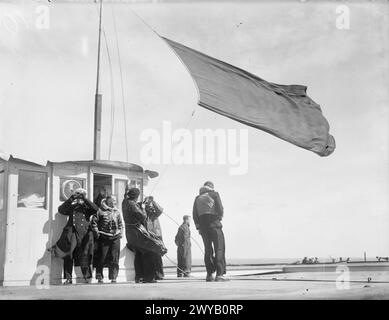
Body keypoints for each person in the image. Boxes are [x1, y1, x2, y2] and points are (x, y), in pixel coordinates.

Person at [52, 188, 98, 284]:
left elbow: (95, 209)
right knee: (69, 255)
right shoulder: (72, 206)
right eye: (77, 194)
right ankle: (68, 278)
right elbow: (61, 210)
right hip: (72, 232)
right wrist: (71, 198)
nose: (79, 197)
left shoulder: (87, 206)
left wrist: (85, 199)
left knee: (85, 254)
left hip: (84, 233)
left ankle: (87, 277)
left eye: (81, 194)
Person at [122, 188, 167, 283]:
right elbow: (142, 216)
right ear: (136, 196)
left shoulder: (125, 202)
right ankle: (149, 278)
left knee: (138, 254)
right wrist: (142, 207)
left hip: (130, 234)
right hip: (137, 232)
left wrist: (151, 201)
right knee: (148, 253)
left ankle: (139, 277)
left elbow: (159, 210)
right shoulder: (133, 204)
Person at [193, 181, 228, 282]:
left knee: (208, 249)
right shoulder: (214, 194)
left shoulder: (197, 198)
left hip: (203, 227)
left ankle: (209, 275)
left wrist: (198, 227)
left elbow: (195, 214)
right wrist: (219, 218)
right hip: (214, 224)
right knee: (219, 248)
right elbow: (220, 208)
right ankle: (219, 274)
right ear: (211, 187)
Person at [91, 195, 123, 284]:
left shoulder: (117, 211)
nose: (114, 202)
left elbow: (120, 224)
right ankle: (99, 277)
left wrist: (120, 232)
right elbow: (94, 223)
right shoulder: (100, 211)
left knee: (114, 258)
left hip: (115, 237)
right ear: (108, 201)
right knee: (102, 257)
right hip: (104, 237)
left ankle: (113, 277)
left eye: (115, 200)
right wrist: (97, 233)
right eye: (113, 200)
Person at [144, 196, 165, 280]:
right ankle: (153, 274)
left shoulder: (155, 213)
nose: (150, 207)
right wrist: (145, 203)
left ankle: (160, 274)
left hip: (157, 236)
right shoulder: (144, 213)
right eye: (148, 205)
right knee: (150, 256)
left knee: (158, 255)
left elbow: (160, 210)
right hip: (149, 236)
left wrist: (153, 201)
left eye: (151, 206)